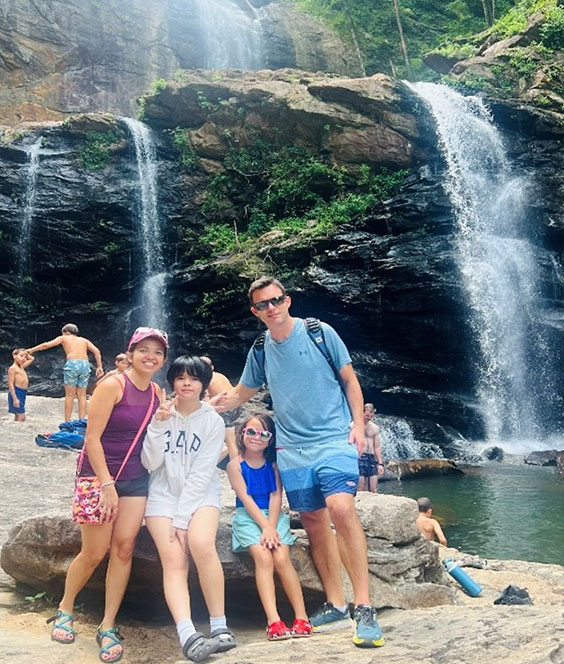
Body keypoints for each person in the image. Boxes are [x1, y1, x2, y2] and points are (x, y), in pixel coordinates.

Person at [215, 276, 384, 648]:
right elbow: (244, 391)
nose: (271, 308)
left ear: (288, 301)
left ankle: (363, 605)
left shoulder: (319, 332)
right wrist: (206, 403)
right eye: (262, 304)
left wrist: (357, 426)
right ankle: (336, 602)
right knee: (313, 520)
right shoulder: (260, 349)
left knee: (341, 508)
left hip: (334, 439)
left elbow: (350, 380)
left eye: (276, 300)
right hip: (292, 450)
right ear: (255, 311)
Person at [46, 327, 167, 663]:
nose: (150, 357)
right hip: (98, 477)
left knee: (124, 549)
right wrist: (106, 484)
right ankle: (65, 608)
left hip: (136, 479)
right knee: (95, 550)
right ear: (130, 352)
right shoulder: (112, 385)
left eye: (157, 352)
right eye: (144, 349)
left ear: (163, 359)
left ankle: (108, 624)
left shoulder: (157, 391)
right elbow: (91, 439)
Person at [141, 356, 236, 662]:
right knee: (174, 560)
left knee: (201, 544)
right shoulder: (159, 414)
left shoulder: (212, 421)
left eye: (194, 378)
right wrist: (157, 426)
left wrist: (182, 519)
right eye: (180, 377)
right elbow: (149, 463)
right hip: (162, 495)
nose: (186, 383)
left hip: (200, 495)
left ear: (203, 384)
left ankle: (219, 625)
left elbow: (202, 473)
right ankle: (188, 635)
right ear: (172, 382)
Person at [227, 412, 311, 641]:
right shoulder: (235, 466)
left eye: (263, 434)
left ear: (271, 439)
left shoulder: (274, 464)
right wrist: (265, 527)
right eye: (251, 432)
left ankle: (302, 617)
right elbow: (245, 498)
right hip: (248, 517)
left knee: (282, 557)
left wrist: (271, 526)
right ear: (242, 433)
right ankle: (273, 620)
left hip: (273, 517)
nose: (256, 437)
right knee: (263, 557)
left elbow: (276, 495)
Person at [26, 323, 104, 421]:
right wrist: (99, 367)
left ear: (66, 332)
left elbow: (46, 345)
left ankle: (67, 421)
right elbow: (97, 351)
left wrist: (32, 350)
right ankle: (81, 420)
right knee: (82, 395)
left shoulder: (64, 338)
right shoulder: (84, 340)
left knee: (70, 395)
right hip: (85, 365)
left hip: (73, 365)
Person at [201, 355, 238, 464]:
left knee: (230, 442)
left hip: (226, 409)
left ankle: (236, 468)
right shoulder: (220, 375)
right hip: (237, 406)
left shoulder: (206, 379)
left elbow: (206, 400)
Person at [358, 403, 384, 493]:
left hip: (371, 458)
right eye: (367, 415)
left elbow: (377, 446)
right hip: (359, 457)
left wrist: (380, 463)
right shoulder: (354, 426)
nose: (369, 417)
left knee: (373, 489)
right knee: (360, 488)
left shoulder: (375, 428)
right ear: (362, 412)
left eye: (371, 415)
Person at [7, 348, 34, 422]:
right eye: (21, 356)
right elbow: (10, 384)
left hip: (22, 392)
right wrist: (15, 399)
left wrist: (26, 353)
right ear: (14, 356)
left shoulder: (21, 366)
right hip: (16, 392)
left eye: (25, 357)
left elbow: (32, 358)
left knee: (18, 414)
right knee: (21, 416)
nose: (24, 358)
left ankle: (15, 427)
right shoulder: (12, 368)